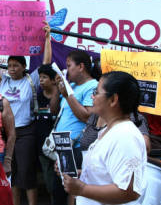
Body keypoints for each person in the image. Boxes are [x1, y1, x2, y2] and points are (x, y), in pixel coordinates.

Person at [0, 20, 51, 205]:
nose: (12, 69)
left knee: (26, 171)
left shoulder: (31, 80)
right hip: (5, 134)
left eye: (16, 65)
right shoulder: (3, 81)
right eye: (9, 66)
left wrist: (47, 39)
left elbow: (46, 63)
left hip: (25, 132)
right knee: (11, 171)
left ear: (24, 67)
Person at [62, 71, 147, 205]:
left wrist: (82, 189)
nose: (92, 97)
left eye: (96, 92)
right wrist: (80, 175)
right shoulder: (110, 130)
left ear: (113, 99)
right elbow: (106, 174)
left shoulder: (125, 136)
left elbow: (129, 191)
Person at [50, 50, 98, 205]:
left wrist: (68, 95)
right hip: (62, 146)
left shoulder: (93, 86)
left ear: (81, 67)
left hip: (76, 147)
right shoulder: (70, 85)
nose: (67, 69)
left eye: (69, 66)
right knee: (58, 191)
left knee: (73, 192)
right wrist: (59, 89)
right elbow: (53, 110)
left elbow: (87, 116)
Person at [36, 64, 58, 202]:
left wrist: (56, 91)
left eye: (44, 77)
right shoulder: (38, 95)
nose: (41, 80)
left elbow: (55, 111)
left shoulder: (62, 95)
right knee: (48, 178)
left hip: (59, 144)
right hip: (43, 145)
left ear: (53, 80)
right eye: (40, 77)